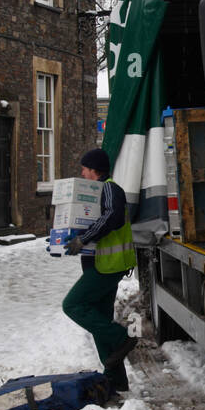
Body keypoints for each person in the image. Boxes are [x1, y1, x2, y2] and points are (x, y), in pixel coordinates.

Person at [62, 148, 138, 395]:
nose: (82, 173)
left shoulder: (109, 188)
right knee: (99, 318)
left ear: (94, 170)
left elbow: (112, 218)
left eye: (85, 168)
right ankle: (116, 380)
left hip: (109, 264)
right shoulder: (99, 192)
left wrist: (83, 239)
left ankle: (121, 337)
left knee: (72, 305)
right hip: (104, 263)